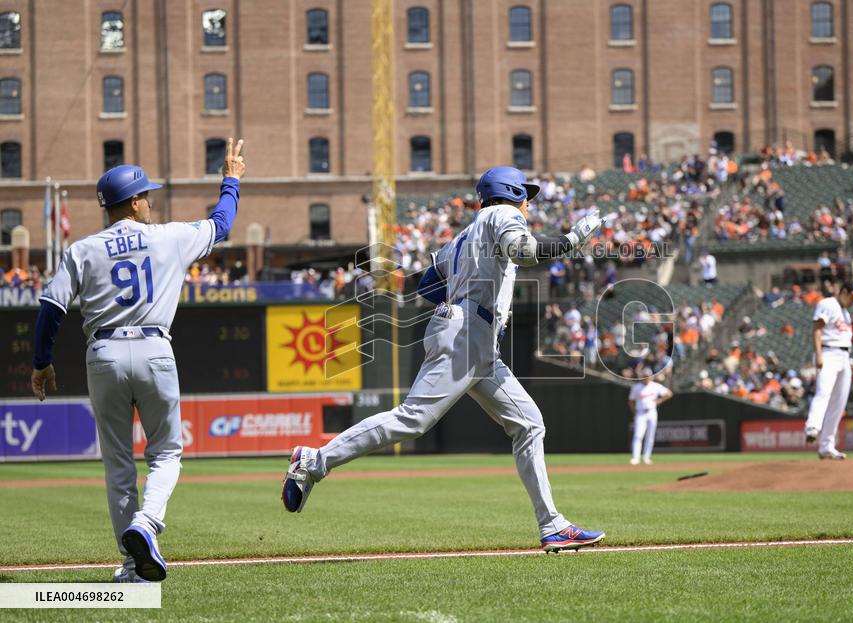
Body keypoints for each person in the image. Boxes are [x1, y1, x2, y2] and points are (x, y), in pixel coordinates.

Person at [281, 166, 606, 552]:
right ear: (510, 191)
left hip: (476, 339)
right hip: (469, 332)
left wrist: (461, 291)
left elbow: (426, 283)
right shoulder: (503, 214)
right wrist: (572, 239)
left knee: (529, 424)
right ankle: (313, 460)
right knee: (413, 419)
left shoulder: (467, 233)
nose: (528, 201)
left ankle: (552, 525)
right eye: (525, 193)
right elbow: (527, 251)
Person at [29, 139, 247, 582]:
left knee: (118, 464)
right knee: (166, 454)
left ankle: (133, 565)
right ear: (133, 201)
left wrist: (41, 362)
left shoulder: (82, 250)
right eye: (147, 194)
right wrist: (231, 179)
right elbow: (222, 224)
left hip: (104, 354)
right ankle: (147, 524)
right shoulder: (169, 237)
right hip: (154, 350)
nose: (151, 200)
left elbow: (51, 308)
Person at [803, 282, 853, 459]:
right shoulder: (827, 304)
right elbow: (817, 329)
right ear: (844, 291)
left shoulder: (846, 313)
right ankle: (812, 427)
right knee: (824, 392)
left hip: (844, 356)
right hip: (828, 352)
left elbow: (847, 341)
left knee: (839, 402)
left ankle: (826, 446)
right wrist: (819, 354)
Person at [627, 373, 673, 465]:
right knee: (638, 435)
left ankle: (646, 457)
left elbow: (669, 393)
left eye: (648, 376)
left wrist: (660, 400)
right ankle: (636, 458)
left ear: (651, 377)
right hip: (640, 412)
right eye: (645, 376)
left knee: (650, 436)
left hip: (651, 412)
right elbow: (631, 401)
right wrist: (634, 412)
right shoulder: (636, 387)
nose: (647, 377)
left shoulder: (655, 386)